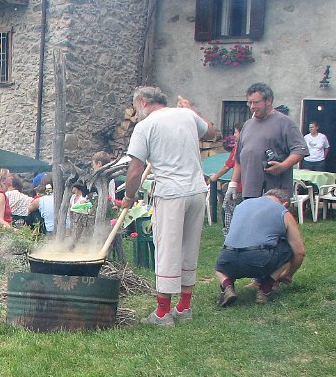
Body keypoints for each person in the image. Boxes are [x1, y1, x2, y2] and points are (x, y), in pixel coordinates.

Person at [121, 86, 216, 326]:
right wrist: (192, 109)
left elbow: (135, 170)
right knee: (188, 247)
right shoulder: (186, 115)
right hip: (197, 191)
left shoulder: (145, 126)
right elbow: (212, 133)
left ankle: (163, 313)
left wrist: (129, 197)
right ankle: (184, 307)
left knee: (167, 250)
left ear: (143, 102)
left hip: (171, 194)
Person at [215, 189, 306, 306]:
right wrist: (288, 275)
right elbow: (299, 252)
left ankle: (227, 285)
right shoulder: (282, 210)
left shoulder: (242, 205)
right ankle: (265, 288)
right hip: (259, 260)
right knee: (288, 247)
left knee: (220, 268)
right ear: (285, 204)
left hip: (228, 259)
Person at [227, 83, 308, 204]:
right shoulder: (247, 125)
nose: (252, 107)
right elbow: (239, 158)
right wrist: (233, 184)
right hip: (249, 192)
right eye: (250, 103)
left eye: (256, 102)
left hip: (275, 193)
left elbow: (300, 150)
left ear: (269, 101)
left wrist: (282, 166)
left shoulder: (284, 122)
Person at [210, 123, 242, 235]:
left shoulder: (239, 147)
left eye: (236, 132)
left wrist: (216, 176)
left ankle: (229, 235)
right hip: (251, 187)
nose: (234, 135)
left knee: (227, 208)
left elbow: (228, 165)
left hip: (239, 187)